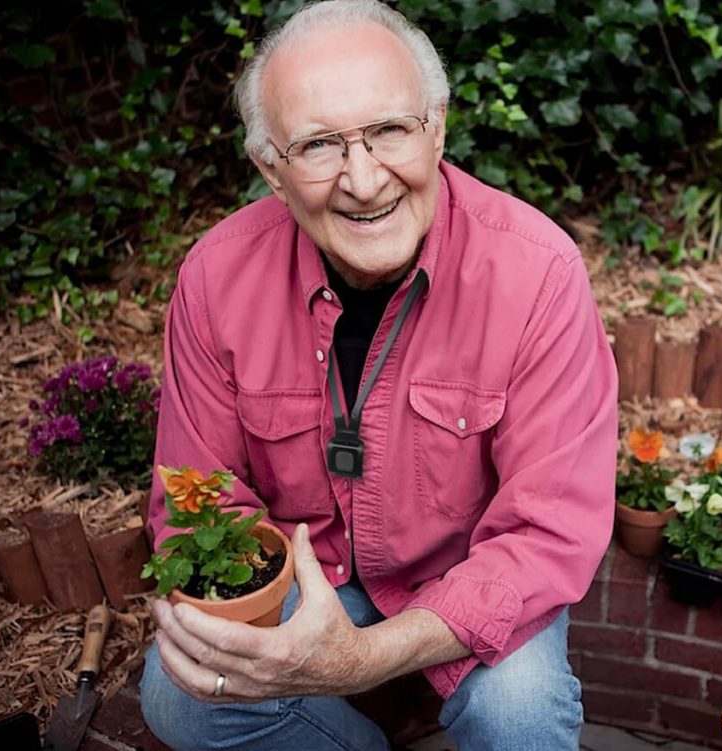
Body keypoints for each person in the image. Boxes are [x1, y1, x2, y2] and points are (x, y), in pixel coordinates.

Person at [139, 1, 618, 749]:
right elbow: (199, 495)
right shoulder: (215, 278)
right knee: (180, 695)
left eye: (390, 130)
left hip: (466, 581)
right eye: (321, 145)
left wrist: (362, 659)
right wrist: (250, 624)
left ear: (438, 127)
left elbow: (549, 530)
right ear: (272, 167)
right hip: (304, 575)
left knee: (520, 713)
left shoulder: (538, 273)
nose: (364, 181)